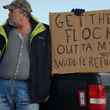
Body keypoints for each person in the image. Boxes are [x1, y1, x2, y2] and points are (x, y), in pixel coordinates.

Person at [0, 0, 51, 110]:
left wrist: (76, 17)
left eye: (12, 11)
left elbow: (66, 36)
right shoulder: (3, 31)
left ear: (24, 13)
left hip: (28, 89)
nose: (8, 14)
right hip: (2, 88)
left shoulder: (44, 32)